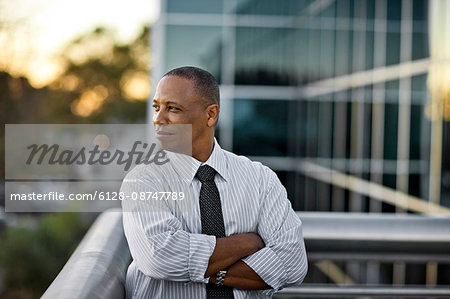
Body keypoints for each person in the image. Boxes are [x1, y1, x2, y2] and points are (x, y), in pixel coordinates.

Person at [121, 66, 307, 299]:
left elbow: (292, 265)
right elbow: (160, 258)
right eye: (156, 107)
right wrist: (245, 243)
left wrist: (209, 272)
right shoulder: (143, 180)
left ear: (210, 115)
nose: (159, 119)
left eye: (173, 109)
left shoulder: (260, 179)